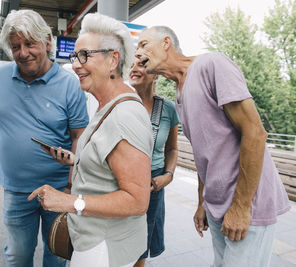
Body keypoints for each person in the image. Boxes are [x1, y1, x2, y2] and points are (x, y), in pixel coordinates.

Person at [135, 26, 290, 267]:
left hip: (247, 204)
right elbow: (203, 153)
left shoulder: (211, 65)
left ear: (166, 43)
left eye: (143, 44)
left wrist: (240, 207)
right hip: (217, 205)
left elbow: (255, 133)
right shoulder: (179, 92)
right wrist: (202, 203)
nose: (138, 53)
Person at [0, 9, 89, 267]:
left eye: (29, 43)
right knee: (17, 257)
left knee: (57, 256)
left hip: (59, 189)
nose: (23, 52)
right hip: (16, 191)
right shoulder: (1, 77)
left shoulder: (69, 83)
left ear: (47, 42)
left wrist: (71, 187)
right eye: (16, 46)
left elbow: (79, 136)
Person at [28, 13, 154, 267]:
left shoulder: (123, 114)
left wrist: (69, 201)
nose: (76, 65)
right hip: (96, 243)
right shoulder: (106, 106)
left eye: (85, 56)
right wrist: (78, 160)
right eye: (75, 57)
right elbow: (110, 161)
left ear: (112, 60)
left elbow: (137, 200)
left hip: (104, 250)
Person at [129, 59, 179, 267]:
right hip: (122, 180)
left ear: (156, 73)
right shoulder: (120, 102)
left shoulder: (167, 109)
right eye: (131, 65)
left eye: (141, 64)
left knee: (142, 240)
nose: (134, 68)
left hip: (153, 183)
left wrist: (168, 175)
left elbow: (172, 148)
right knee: (118, 238)